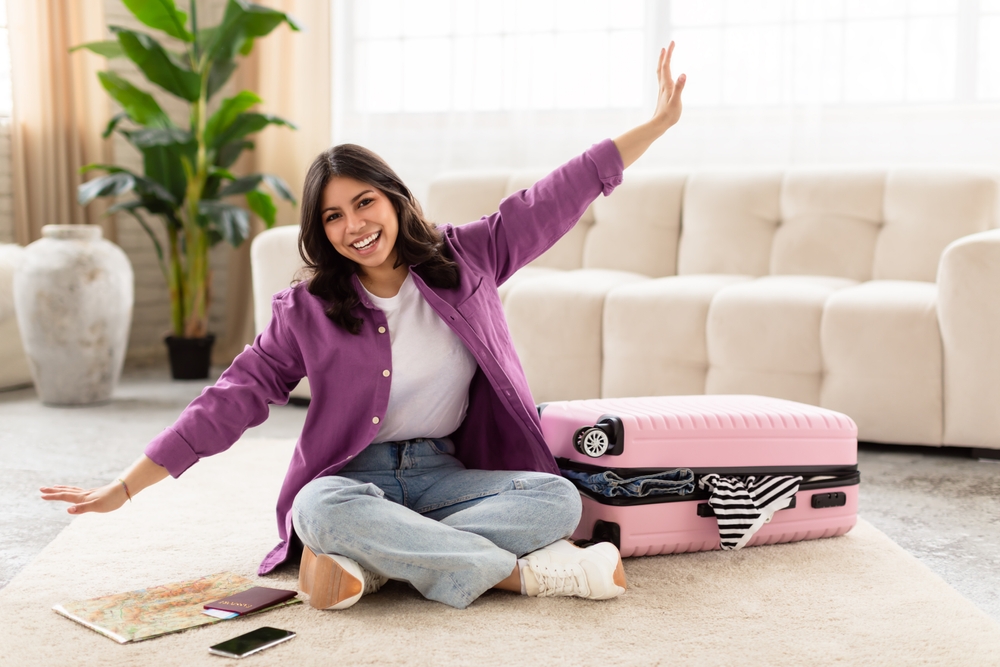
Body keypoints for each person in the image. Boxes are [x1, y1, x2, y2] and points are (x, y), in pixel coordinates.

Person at [40, 43, 686, 611]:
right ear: (320, 232)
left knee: (557, 501)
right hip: (354, 479)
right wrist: (128, 485)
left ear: (394, 198)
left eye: (364, 203)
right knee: (315, 509)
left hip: (447, 474)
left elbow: (555, 195)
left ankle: (374, 559)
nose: (354, 225)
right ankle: (519, 576)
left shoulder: (472, 255)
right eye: (332, 217)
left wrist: (654, 126)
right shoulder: (306, 309)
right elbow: (227, 401)